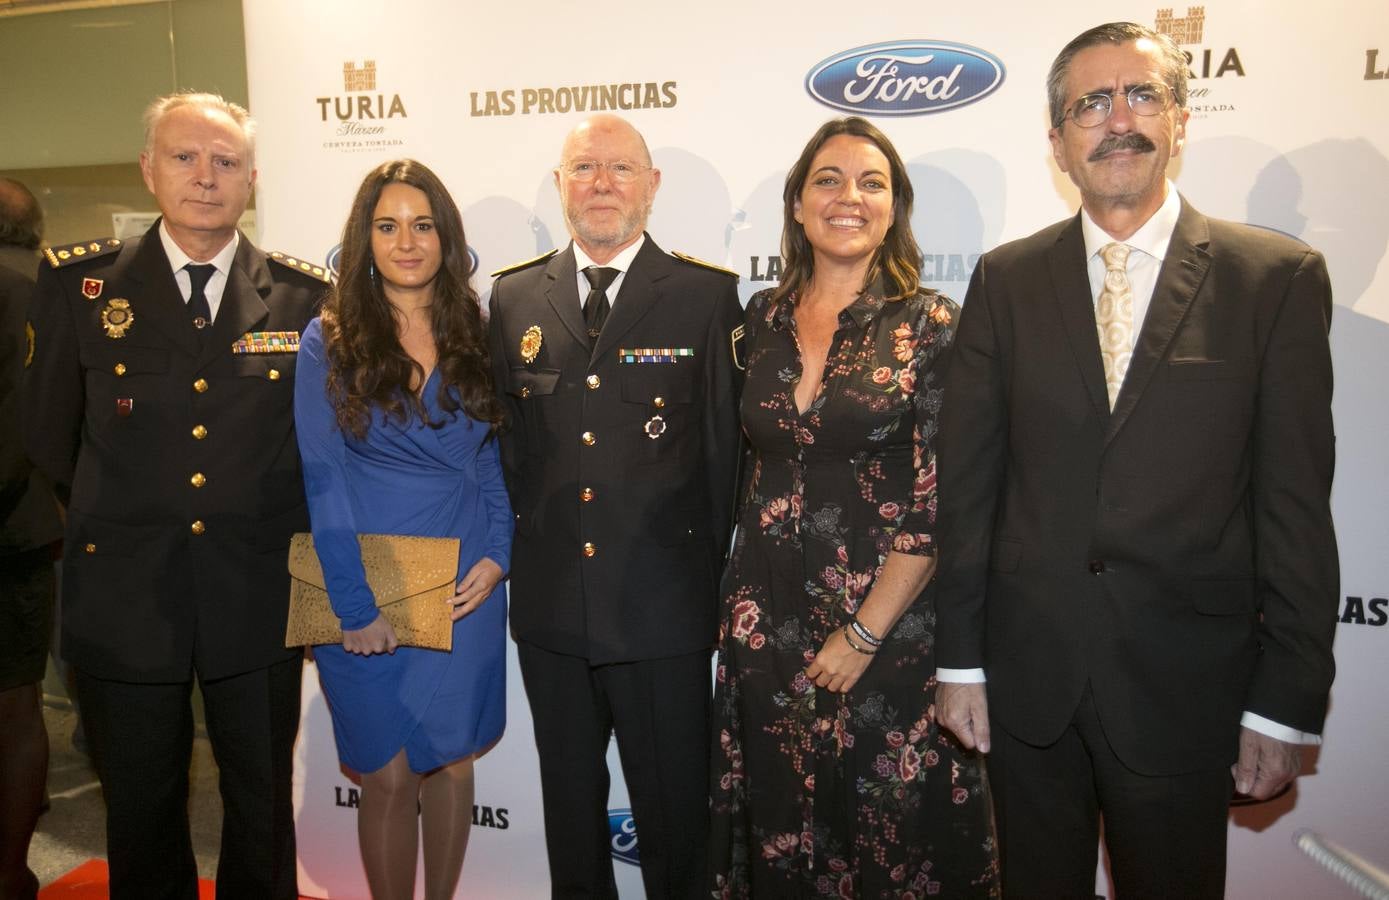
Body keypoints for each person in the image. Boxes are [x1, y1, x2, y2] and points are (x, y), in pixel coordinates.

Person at [934, 22, 1338, 899]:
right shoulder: (1004, 281)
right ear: (1057, 142)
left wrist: (1283, 701)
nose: (1117, 120)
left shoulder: (1272, 279)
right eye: (1089, 104)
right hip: (1027, 686)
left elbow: (1296, 508)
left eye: (1140, 94)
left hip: (1184, 686)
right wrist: (958, 661)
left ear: (1180, 119)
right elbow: (968, 486)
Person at [21, 91, 329, 899]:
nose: (205, 176)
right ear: (148, 170)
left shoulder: (303, 298)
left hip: (258, 589)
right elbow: (51, 439)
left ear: (252, 179)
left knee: (261, 802)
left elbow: (322, 449)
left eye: (225, 162)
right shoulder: (80, 287)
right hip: (126, 591)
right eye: (185, 157)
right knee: (142, 800)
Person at [706, 117, 999, 897]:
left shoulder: (930, 325)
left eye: (871, 183)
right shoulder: (757, 320)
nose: (849, 197)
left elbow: (944, 494)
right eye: (827, 180)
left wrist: (864, 631)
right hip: (763, 627)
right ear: (797, 206)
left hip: (887, 632)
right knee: (777, 825)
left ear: (893, 209)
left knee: (888, 831)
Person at [488, 113, 743, 898]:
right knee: (569, 810)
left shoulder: (707, 298)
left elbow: (725, 463)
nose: (601, 184)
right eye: (583, 169)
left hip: (661, 611)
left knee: (674, 817)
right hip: (552, 611)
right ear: (560, 185)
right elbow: (506, 453)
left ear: (651, 186)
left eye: (620, 169)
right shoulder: (512, 296)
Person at [294, 158, 511, 900]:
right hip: (366, 578)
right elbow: (322, 479)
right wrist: (355, 607)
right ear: (365, 239)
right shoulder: (328, 337)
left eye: (422, 225)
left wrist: (500, 555)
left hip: (463, 581)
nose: (406, 241)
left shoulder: (474, 328)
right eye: (387, 225)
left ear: (445, 238)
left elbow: (486, 461)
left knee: (452, 763)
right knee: (385, 776)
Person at [1, 254, 61, 900]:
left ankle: (10, 873)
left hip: (8, 536)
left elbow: (28, 425)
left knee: (13, 705)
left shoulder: (14, 293)